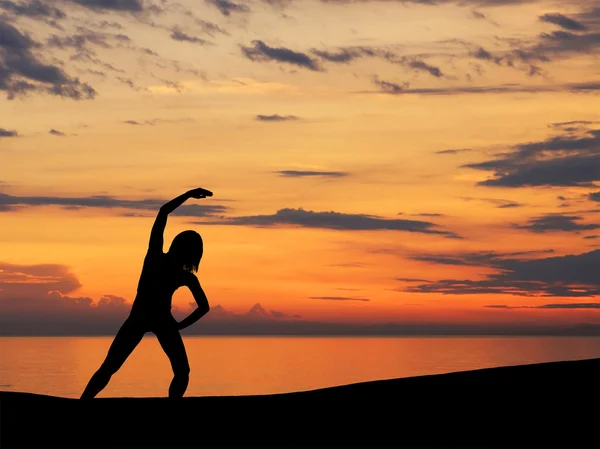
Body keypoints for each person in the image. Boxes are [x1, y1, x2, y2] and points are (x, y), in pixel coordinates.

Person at [80, 188, 213, 399]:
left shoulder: (165, 263)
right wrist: (179, 325)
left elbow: (163, 212)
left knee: (111, 367)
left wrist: (189, 195)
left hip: (147, 317)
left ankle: (84, 402)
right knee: (114, 366)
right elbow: (163, 212)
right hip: (149, 318)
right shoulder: (170, 266)